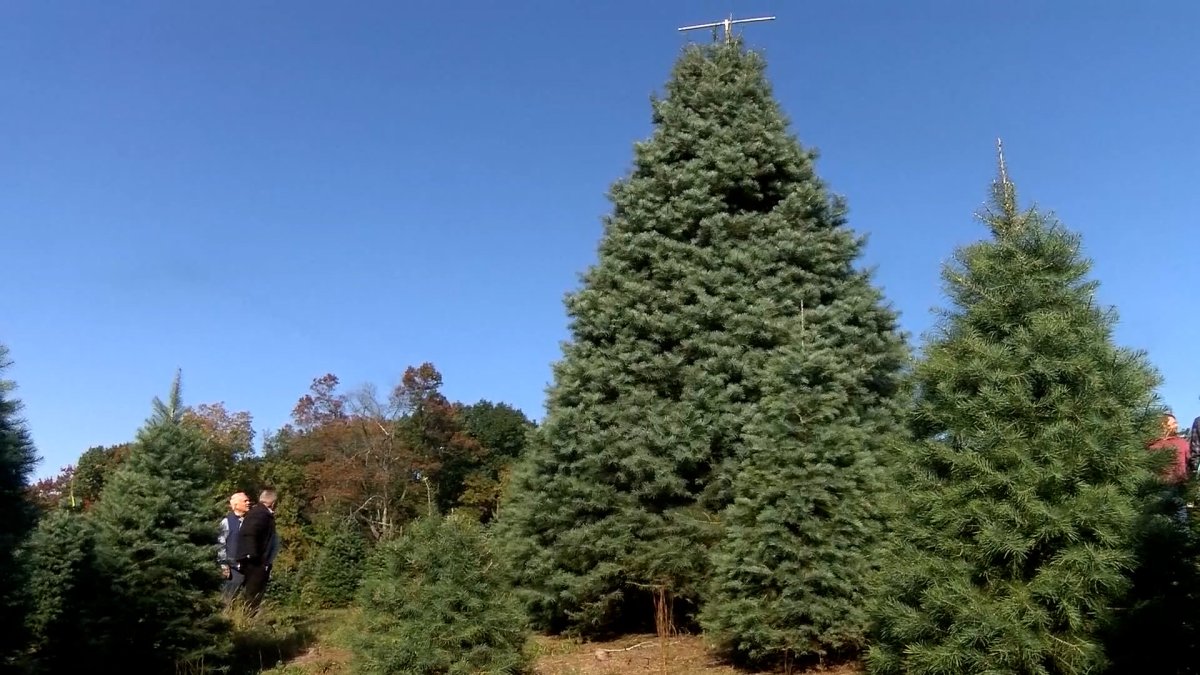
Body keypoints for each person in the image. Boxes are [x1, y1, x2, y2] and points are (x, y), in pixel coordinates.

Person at [235, 489, 279, 612]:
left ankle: (248, 618)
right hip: (255, 562)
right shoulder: (260, 514)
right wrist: (254, 556)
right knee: (253, 594)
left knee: (253, 593)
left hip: (255, 560)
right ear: (273, 503)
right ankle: (248, 621)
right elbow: (250, 533)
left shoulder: (257, 513)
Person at [1149, 413, 1190, 521]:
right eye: (1173, 423)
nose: (1176, 425)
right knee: (1159, 518)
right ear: (1163, 425)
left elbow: (1190, 461)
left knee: (1179, 517)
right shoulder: (1154, 444)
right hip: (1159, 486)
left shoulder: (1182, 443)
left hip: (1178, 485)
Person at [217, 492, 251, 604]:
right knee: (227, 601)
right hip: (232, 570)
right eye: (245, 501)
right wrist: (223, 565)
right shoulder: (226, 522)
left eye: (248, 500)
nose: (248, 503)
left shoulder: (250, 522)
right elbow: (220, 544)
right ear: (236, 505)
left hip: (248, 569)